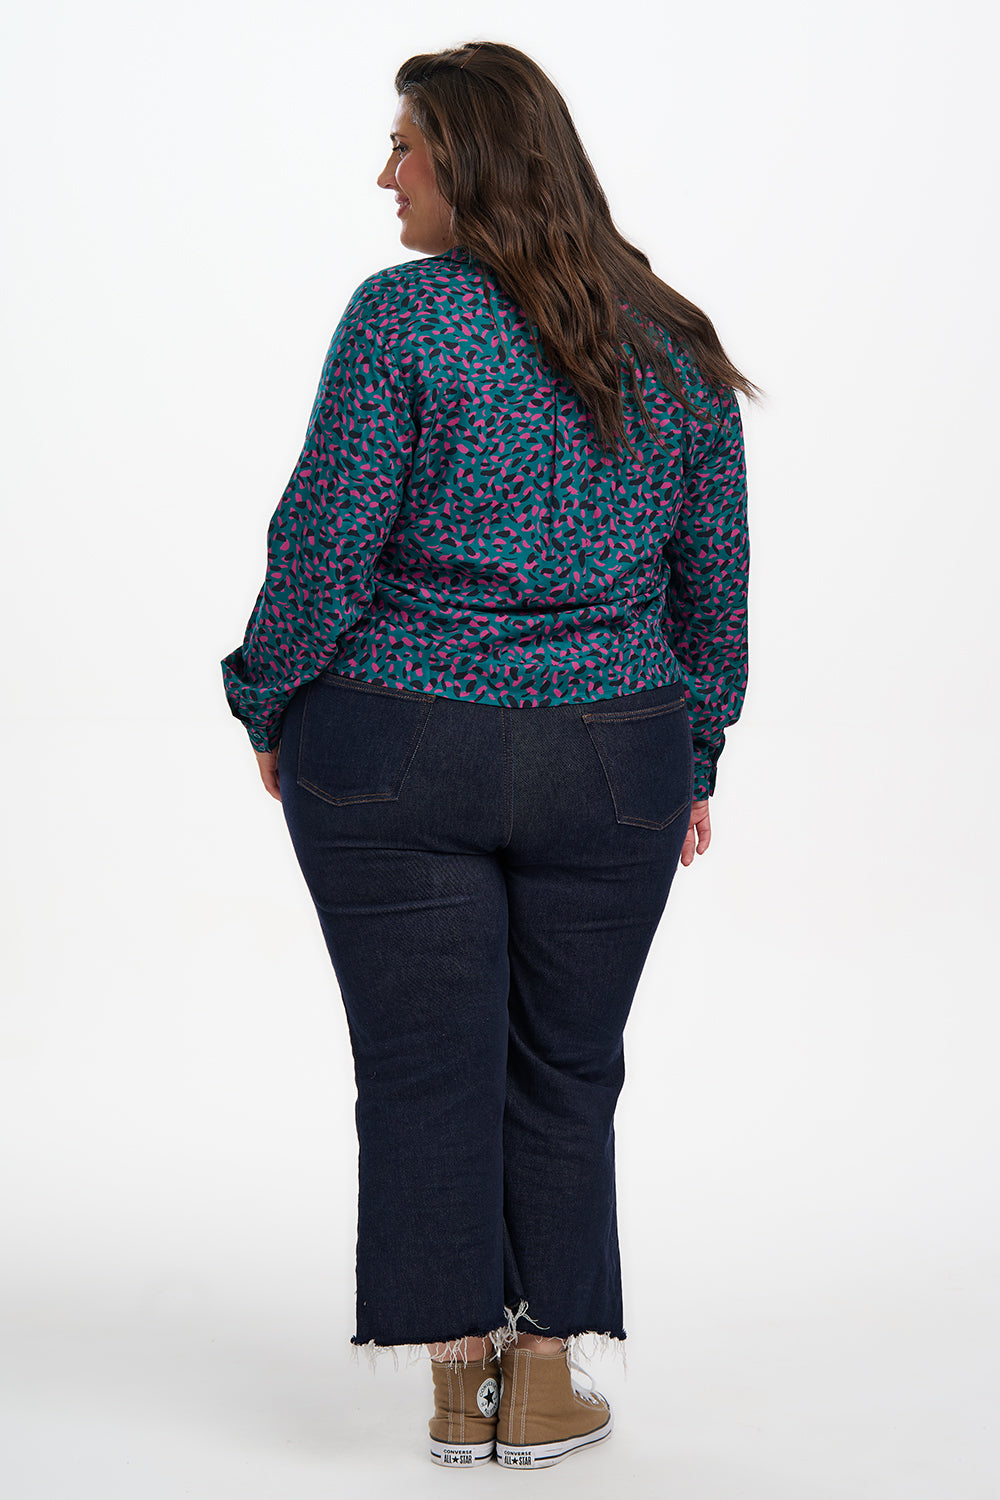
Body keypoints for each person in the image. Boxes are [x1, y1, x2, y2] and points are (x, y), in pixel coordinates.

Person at [221, 39, 758, 1471]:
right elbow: (718, 584)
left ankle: (460, 1384)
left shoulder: (402, 320)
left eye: (403, 144)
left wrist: (266, 696)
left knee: (423, 1068)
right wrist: (693, 755)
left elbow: (325, 544)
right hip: (613, 760)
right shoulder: (672, 340)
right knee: (566, 1067)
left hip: (394, 749)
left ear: (470, 157)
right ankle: (543, 1380)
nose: (384, 174)